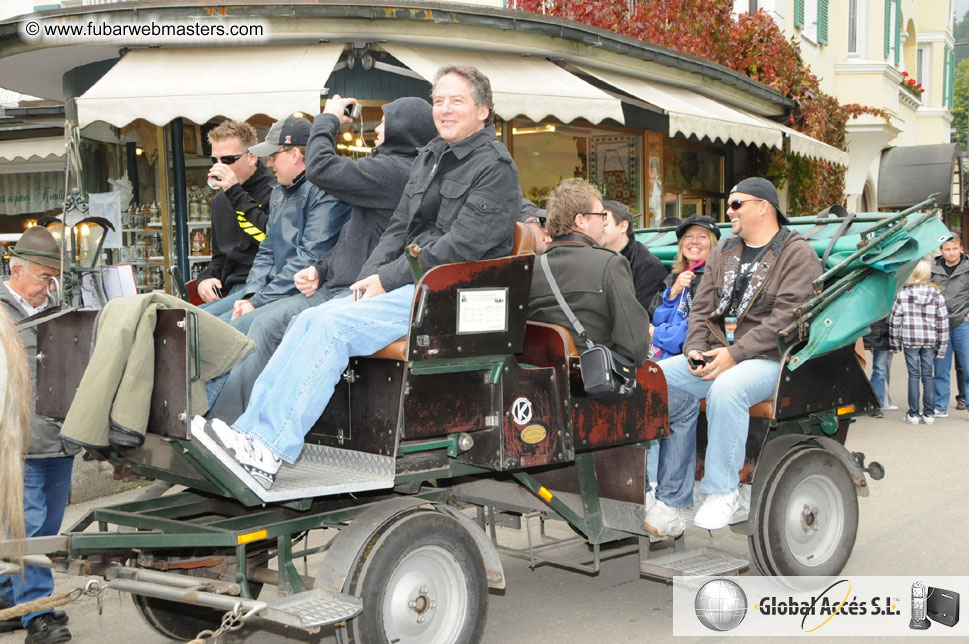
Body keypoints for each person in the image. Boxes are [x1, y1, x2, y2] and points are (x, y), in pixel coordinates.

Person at [202, 64, 522, 488]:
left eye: (456, 101)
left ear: (483, 110)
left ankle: (268, 447)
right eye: (438, 101)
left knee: (329, 325)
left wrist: (386, 280)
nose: (444, 110)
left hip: (454, 295)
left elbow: (457, 248)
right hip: (415, 285)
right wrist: (368, 280)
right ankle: (250, 435)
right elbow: (398, 230)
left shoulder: (494, 167)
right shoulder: (430, 156)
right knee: (309, 318)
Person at [206, 97, 437, 422]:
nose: (378, 127)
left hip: (352, 290)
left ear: (403, 129)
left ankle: (229, 425)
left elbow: (322, 169)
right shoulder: (389, 170)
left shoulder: (391, 171)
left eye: (385, 121)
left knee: (266, 325)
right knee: (243, 323)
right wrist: (320, 268)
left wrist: (328, 119)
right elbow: (350, 240)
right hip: (335, 283)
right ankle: (223, 422)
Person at [643, 177, 821, 536]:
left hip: (774, 359)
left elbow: (788, 317)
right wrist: (694, 347)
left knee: (727, 388)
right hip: (720, 351)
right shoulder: (725, 248)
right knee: (655, 378)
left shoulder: (796, 252)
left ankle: (724, 491)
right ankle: (668, 498)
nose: (729, 210)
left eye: (736, 203)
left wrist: (734, 355)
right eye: (729, 204)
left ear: (763, 206)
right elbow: (701, 308)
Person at [0, 227, 77, 644]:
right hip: (19, 442)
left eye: (52, 279)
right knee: (28, 529)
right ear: (15, 269)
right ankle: (38, 615)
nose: (47, 286)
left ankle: (11, 598)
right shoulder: (1, 313)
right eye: (41, 277)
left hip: (60, 439)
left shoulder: (59, 310)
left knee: (47, 524)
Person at [221, 116, 351, 334]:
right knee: (202, 323)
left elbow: (310, 256)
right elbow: (266, 251)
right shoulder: (278, 191)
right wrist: (251, 294)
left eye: (273, 155)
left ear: (295, 154)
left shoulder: (325, 191)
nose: (269, 163)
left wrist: (257, 301)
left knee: (228, 332)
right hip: (275, 290)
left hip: (306, 290)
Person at [528, 179, 651, 363]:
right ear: (580, 220)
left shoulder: (528, 269)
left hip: (540, 379)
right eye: (601, 216)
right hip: (593, 385)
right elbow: (635, 347)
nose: (604, 224)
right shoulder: (610, 263)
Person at [197, 120, 275, 315]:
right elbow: (220, 257)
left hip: (266, 286)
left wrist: (234, 192)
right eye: (215, 160)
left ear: (251, 157)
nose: (220, 166)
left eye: (228, 159)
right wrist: (204, 279)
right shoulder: (220, 202)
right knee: (181, 321)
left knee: (200, 326)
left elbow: (270, 239)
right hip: (232, 288)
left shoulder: (277, 191)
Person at [648, 214, 720, 360]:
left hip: (690, 353)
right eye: (688, 236)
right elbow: (656, 318)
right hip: (660, 349)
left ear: (712, 244)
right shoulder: (674, 275)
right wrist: (673, 292)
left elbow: (692, 331)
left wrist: (654, 334)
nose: (694, 241)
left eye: (702, 237)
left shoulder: (714, 278)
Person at [889, 259, 948, 425]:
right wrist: (942, 347)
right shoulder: (937, 295)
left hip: (910, 340)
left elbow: (894, 321)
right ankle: (929, 414)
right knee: (928, 376)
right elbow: (943, 323)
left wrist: (894, 344)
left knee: (913, 376)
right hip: (930, 341)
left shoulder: (903, 294)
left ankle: (913, 414)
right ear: (928, 274)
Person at [600, 200, 668, 311]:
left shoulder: (648, 266)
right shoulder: (592, 257)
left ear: (623, 226)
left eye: (604, 225)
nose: (598, 229)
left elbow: (640, 314)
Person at [930, 237, 969, 418]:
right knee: (941, 368)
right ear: (941, 250)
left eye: (955, 248)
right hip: (941, 325)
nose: (951, 252)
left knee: (968, 368)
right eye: (947, 249)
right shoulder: (933, 269)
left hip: (963, 323)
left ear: (961, 248)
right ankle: (940, 406)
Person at [862, 318, 895, 417]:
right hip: (881, 332)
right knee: (880, 370)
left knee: (879, 370)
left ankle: (875, 404)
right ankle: (874, 404)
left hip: (880, 332)